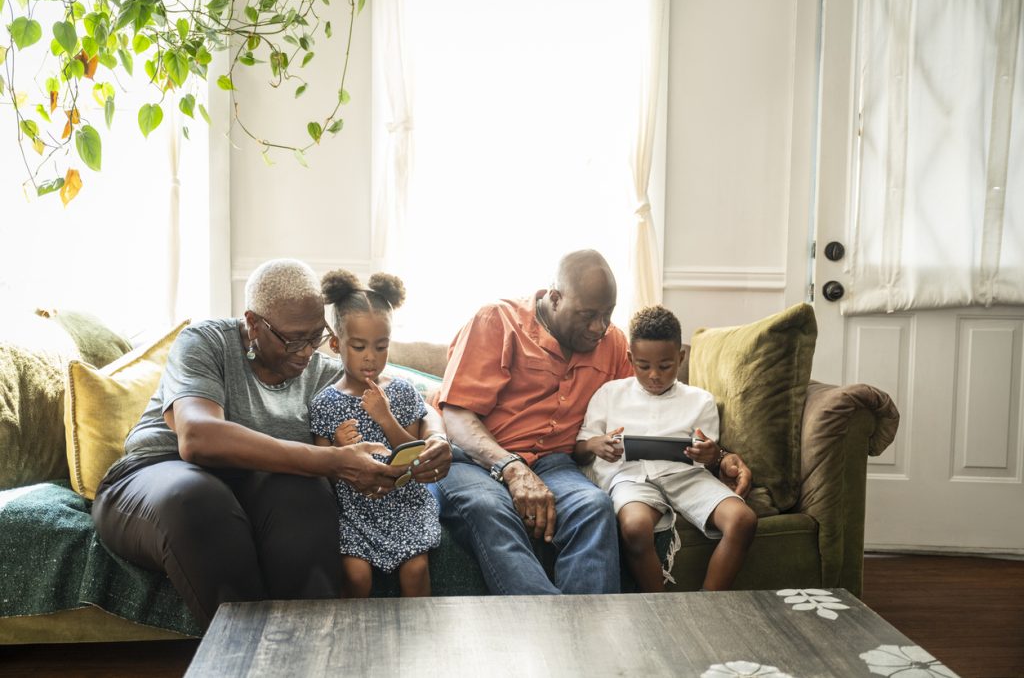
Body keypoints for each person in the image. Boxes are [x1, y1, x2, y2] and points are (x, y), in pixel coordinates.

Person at [91, 259, 452, 628]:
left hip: (252, 485)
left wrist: (437, 438)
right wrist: (333, 461)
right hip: (159, 474)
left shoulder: (320, 372)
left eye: (315, 337)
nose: (307, 352)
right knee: (199, 498)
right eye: (294, 339)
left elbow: (416, 402)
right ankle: (250, 657)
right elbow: (198, 438)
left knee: (306, 496)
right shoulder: (206, 342)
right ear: (253, 323)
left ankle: (314, 654)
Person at [431, 249, 752, 595]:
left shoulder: (612, 342)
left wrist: (721, 456)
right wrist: (512, 468)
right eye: (588, 315)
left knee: (595, 507)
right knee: (488, 508)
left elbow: (650, 409)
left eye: (607, 314)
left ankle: (588, 632)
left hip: (555, 463)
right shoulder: (496, 321)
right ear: (555, 299)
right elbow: (457, 415)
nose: (599, 327)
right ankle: (552, 624)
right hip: (475, 461)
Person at [574, 305, 757, 592]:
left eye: (665, 366)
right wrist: (597, 445)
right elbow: (581, 449)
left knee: (743, 520)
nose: (655, 375)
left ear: (680, 358)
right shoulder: (610, 394)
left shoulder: (700, 401)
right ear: (631, 359)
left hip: (685, 476)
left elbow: (708, 456)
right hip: (630, 477)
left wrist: (711, 456)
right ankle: (663, 608)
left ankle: (709, 603)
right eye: (644, 366)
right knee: (634, 528)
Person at [311, 270, 442, 598]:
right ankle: (354, 641)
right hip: (355, 507)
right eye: (358, 347)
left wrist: (385, 418)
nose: (370, 357)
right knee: (356, 576)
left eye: (380, 347)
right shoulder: (325, 403)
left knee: (416, 569)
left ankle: (419, 636)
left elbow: (414, 453)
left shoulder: (400, 392)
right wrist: (339, 449)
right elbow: (323, 470)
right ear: (336, 344)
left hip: (402, 501)